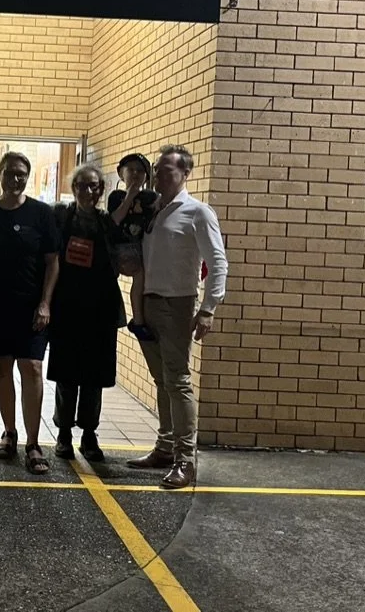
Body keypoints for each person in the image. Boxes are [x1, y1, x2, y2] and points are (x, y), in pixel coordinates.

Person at [126, 145, 228, 490]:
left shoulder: (198, 212)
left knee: (178, 380)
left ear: (185, 173)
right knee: (162, 380)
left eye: (167, 169)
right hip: (150, 303)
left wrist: (208, 309)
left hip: (178, 305)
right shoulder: (155, 210)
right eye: (157, 169)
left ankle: (186, 459)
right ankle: (165, 448)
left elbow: (218, 263)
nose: (159, 174)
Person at [0, 151, 60, 475]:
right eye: (10, 173)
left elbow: (53, 261)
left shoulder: (41, 214)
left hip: (31, 306)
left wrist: (45, 303)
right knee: (1, 368)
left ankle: (33, 443)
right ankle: (9, 433)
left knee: (33, 368)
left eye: (22, 174)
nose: (16, 179)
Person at [47, 163, 125, 463]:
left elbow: (126, 256)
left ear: (101, 190)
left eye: (94, 186)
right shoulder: (60, 215)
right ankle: (64, 434)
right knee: (66, 374)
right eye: (82, 185)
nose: (88, 191)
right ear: (73, 188)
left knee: (95, 377)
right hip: (67, 307)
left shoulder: (108, 223)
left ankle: (89, 435)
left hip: (100, 310)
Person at [107, 153, 158, 341]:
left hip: (139, 247)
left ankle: (138, 321)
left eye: (140, 171)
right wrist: (130, 196)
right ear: (121, 174)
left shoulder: (151, 197)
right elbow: (115, 219)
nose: (135, 174)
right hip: (118, 247)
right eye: (131, 170)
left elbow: (155, 222)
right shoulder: (116, 196)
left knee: (141, 276)